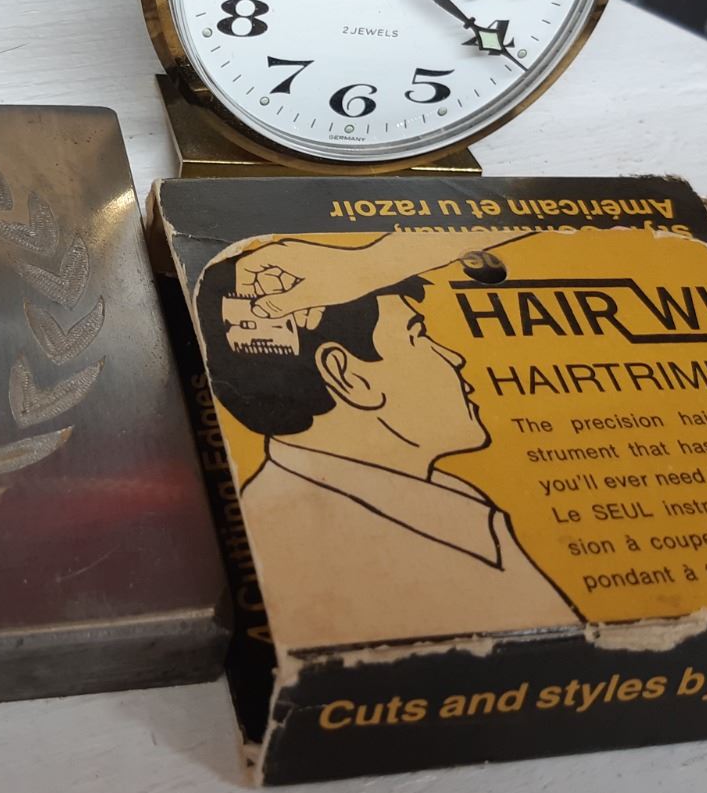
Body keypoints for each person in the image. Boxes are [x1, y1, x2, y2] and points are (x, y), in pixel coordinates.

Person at [194, 232, 579, 650]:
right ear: (347, 376)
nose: (455, 356)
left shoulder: (443, 496)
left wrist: (373, 260)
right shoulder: (314, 549)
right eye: (419, 335)